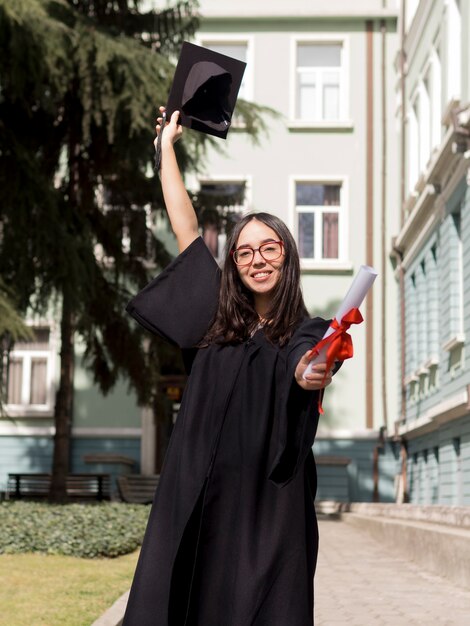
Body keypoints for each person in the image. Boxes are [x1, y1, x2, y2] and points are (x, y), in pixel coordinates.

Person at [122, 108, 338, 626]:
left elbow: (308, 366)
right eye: (244, 252)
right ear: (234, 266)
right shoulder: (212, 323)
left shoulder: (305, 331)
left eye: (269, 247)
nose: (257, 259)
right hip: (197, 497)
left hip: (267, 510)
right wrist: (166, 149)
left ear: (287, 256)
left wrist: (312, 372)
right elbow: (186, 227)